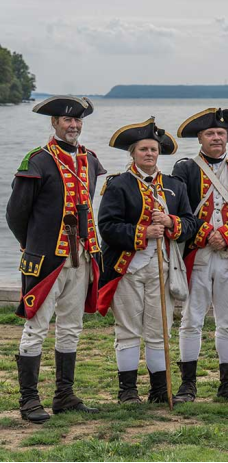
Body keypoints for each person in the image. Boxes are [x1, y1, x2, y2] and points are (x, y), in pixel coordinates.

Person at [7, 96, 105, 423]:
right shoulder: (38, 160)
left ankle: (64, 395)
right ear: (54, 123)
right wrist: (32, 245)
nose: (73, 125)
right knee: (36, 327)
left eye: (77, 121)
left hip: (81, 256)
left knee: (71, 326)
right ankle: (29, 400)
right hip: (46, 259)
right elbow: (16, 214)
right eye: (67, 121)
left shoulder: (90, 160)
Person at [97, 118, 195, 404]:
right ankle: (127, 392)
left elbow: (190, 224)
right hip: (127, 268)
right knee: (127, 330)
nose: (149, 153)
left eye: (153, 149)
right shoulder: (118, 185)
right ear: (133, 153)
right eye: (143, 149)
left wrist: (169, 222)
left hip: (162, 268)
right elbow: (108, 226)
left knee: (158, 331)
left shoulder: (175, 185)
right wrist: (143, 232)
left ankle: (159, 391)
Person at [171, 107, 228, 404]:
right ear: (200, 137)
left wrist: (227, 235)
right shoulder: (184, 169)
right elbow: (181, 211)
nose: (217, 138)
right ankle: (188, 385)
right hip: (196, 254)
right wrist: (205, 234)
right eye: (210, 133)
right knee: (191, 319)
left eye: (221, 133)